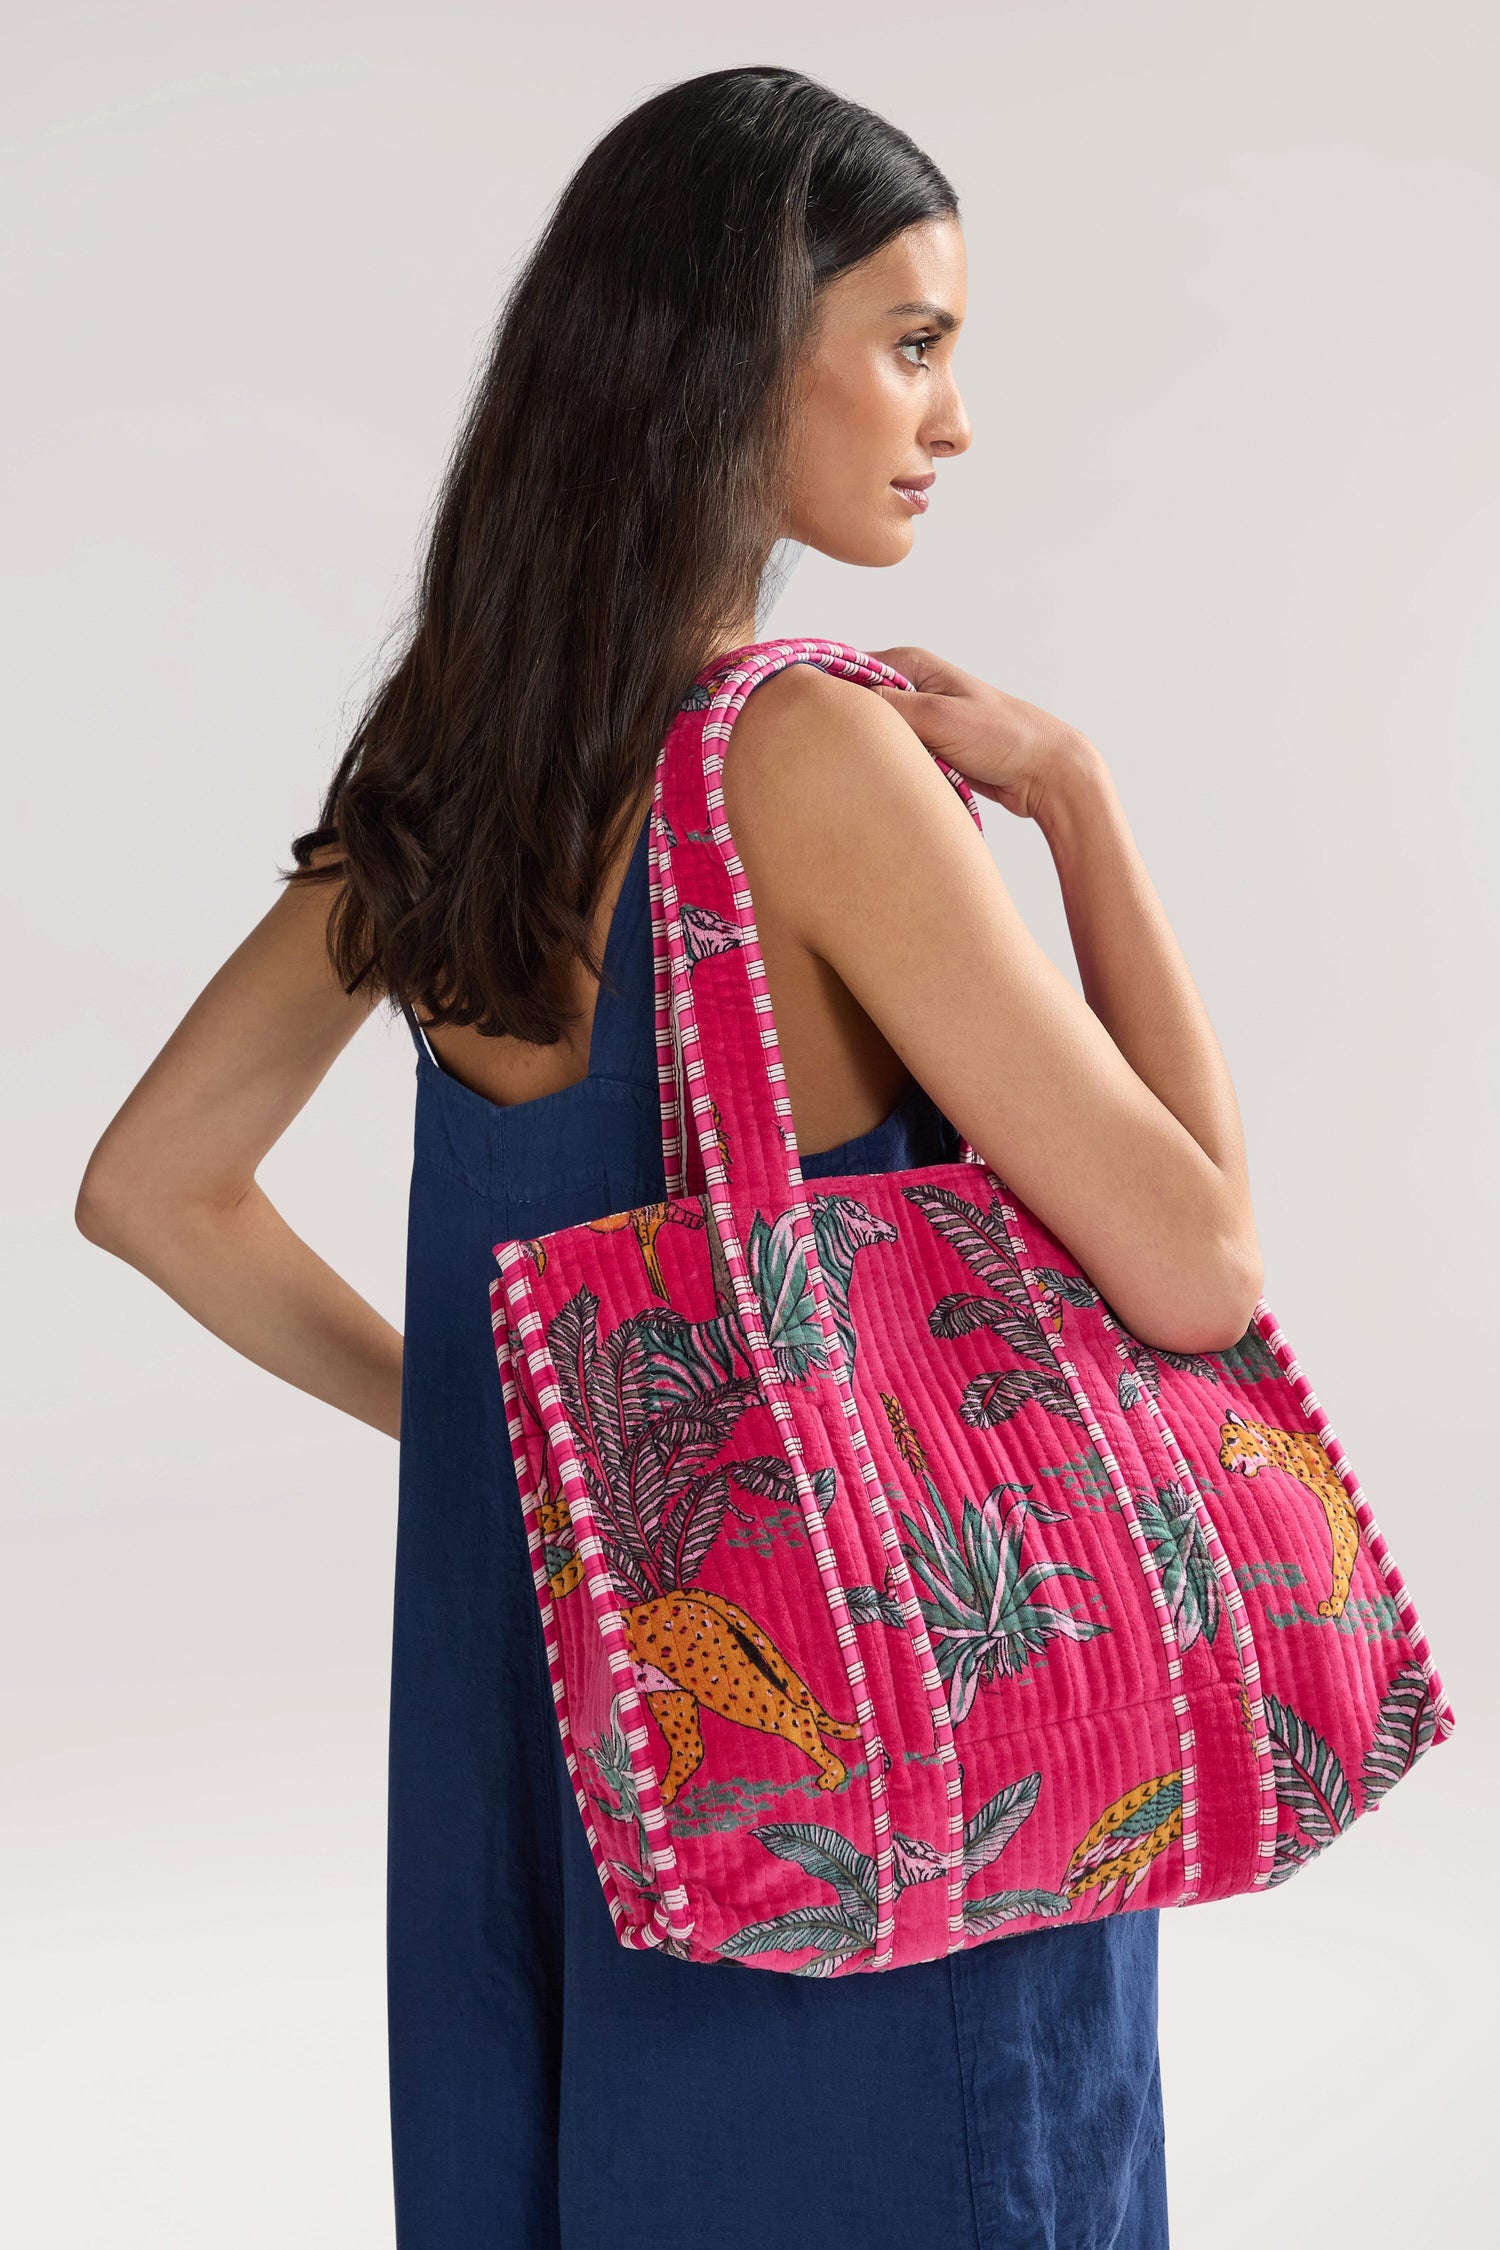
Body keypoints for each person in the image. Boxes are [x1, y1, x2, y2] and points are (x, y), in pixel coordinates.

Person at [77, 63, 1263, 2250]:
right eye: (914, 343)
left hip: (549, 1720)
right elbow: (1196, 1266)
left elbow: (152, 1185)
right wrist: (1083, 800)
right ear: (740, 354)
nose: (956, 416)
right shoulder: (801, 754)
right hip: (851, 1762)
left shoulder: (462, 756)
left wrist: (508, 1427)